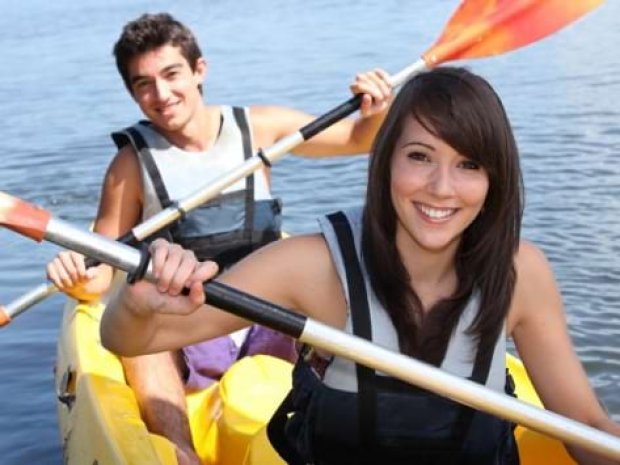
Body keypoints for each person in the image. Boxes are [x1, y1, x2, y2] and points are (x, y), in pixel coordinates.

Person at [101, 66, 620, 465]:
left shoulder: (519, 273)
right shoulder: (312, 266)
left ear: (494, 181)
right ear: (385, 160)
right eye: (419, 156)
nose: (441, 188)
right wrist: (138, 302)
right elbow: (130, 342)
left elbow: (583, 425)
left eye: (469, 165)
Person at [45, 12, 393, 465]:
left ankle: (359, 425)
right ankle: (183, 451)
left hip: (270, 307)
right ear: (133, 92)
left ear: (199, 70)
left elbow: (359, 139)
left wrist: (379, 106)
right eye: (143, 84)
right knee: (142, 329)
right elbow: (99, 272)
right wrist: (73, 272)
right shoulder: (130, 166)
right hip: (188, 315)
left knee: (334, 290)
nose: (162, 95)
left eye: (172, 75)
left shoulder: (259, 129)